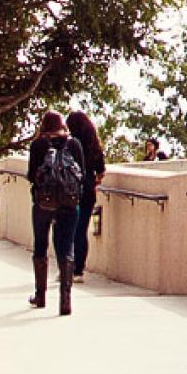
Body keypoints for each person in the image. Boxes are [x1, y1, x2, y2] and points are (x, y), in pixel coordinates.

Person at [26, 110, 86, 316]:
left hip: (44, 203)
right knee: (66, 246)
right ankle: (65, 300)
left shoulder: (38, 145)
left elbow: (31, 175)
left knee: (41, 244)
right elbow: (83, 175)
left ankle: (40, 296)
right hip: (70, 203)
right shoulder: (74, 144)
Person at [66, 111, 106, 283]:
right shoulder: (94, 146)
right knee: (81, 230)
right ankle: (78, 271)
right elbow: (101, 171)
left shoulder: (70, 144)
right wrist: (93, 182)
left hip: (72, 190)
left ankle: (68, 266)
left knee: (68, 229)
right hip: (88, 190)